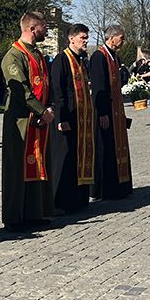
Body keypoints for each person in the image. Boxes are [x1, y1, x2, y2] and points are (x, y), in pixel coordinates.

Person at [0, 12, 55, 232]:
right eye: (44, 26)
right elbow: (21, 90)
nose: (46, 30)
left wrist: (47, 109)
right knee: (17, 167)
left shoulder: (38, 54)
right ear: (32, 28)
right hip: (21, 120)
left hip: (39, 119)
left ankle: (34, 212)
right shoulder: (14, 56)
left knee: (38, 164)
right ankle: (15, 216)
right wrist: (42, 110)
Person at [50, 24, 94, 213]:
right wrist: (61, 117)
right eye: (83, 37)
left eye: (87, 37)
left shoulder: (82, 60)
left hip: (82, 118)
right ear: (72, 38)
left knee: (79, 157)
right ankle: (59, 201)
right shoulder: (62, 59)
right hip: (67, 117)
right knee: (64, 159)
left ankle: (78, 198)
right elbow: (57, 90)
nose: (86, 41)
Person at [89, 24, 133, 201]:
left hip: (115, 109)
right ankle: (103, 189)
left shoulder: (114, 56)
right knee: (104, 149)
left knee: (115, 148)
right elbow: (99, 87)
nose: (122, 42)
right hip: (105, 111)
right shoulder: (99, 57)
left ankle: (118, 185)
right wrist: (102, 113)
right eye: (121, 38)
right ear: (112, 37)